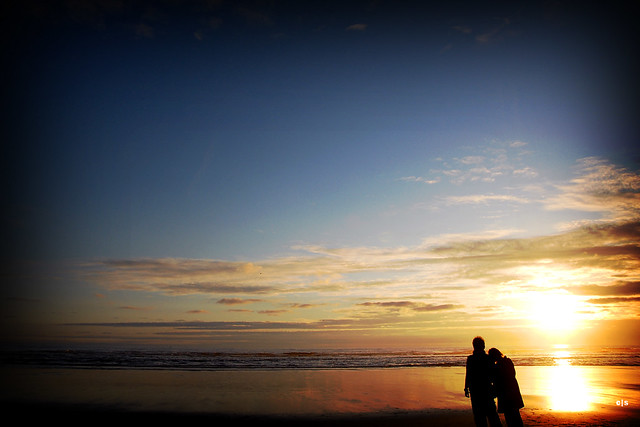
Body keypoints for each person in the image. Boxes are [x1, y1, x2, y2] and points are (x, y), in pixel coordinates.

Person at [465, 336, 502, 427]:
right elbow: (493, 375)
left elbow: (468, 374)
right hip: (486, 389)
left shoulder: (470, 359)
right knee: (492, 416)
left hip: (475, 390)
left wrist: (466, 387)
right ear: (483, 346)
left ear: (474, 346)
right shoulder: (488, 358)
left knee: (479, 417)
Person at [488, 348, 524, 427]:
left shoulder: (497, 366)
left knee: (509, 417)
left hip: (505, 393)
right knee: (515, 415)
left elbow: (494, 379)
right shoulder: (508, 361)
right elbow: (512, 375)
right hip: (513, 391)